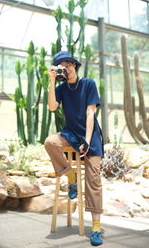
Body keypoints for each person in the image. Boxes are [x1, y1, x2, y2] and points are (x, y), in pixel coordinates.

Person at [44, 51, 104, 246]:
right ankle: (70, 176)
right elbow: (52, 107)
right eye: (62, 66)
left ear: (75, 65)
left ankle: (95, 227)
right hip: (70, 134)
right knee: (50, 142)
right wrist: (52, 81)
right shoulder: (61, 88)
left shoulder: (88, 84)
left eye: (69, 64)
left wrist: (87, 141)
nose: (67, 68)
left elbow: (90, 113)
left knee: (94, 181)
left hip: (90, 136)